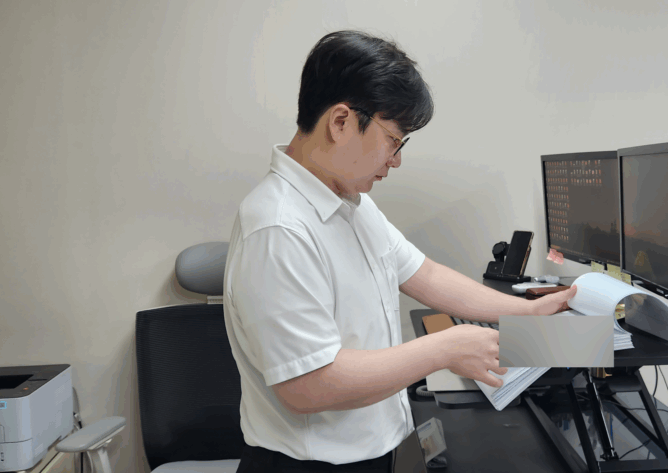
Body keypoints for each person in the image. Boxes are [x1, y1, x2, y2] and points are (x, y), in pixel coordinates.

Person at [223, 30, 577, 473]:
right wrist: (445, 348)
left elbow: (424, 274)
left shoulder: (350, 201)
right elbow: (308, 386)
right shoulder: (278, 228)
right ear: (340, 122)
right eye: (394, 140)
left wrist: (525, 310)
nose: (396, 160)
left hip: (373, 449)